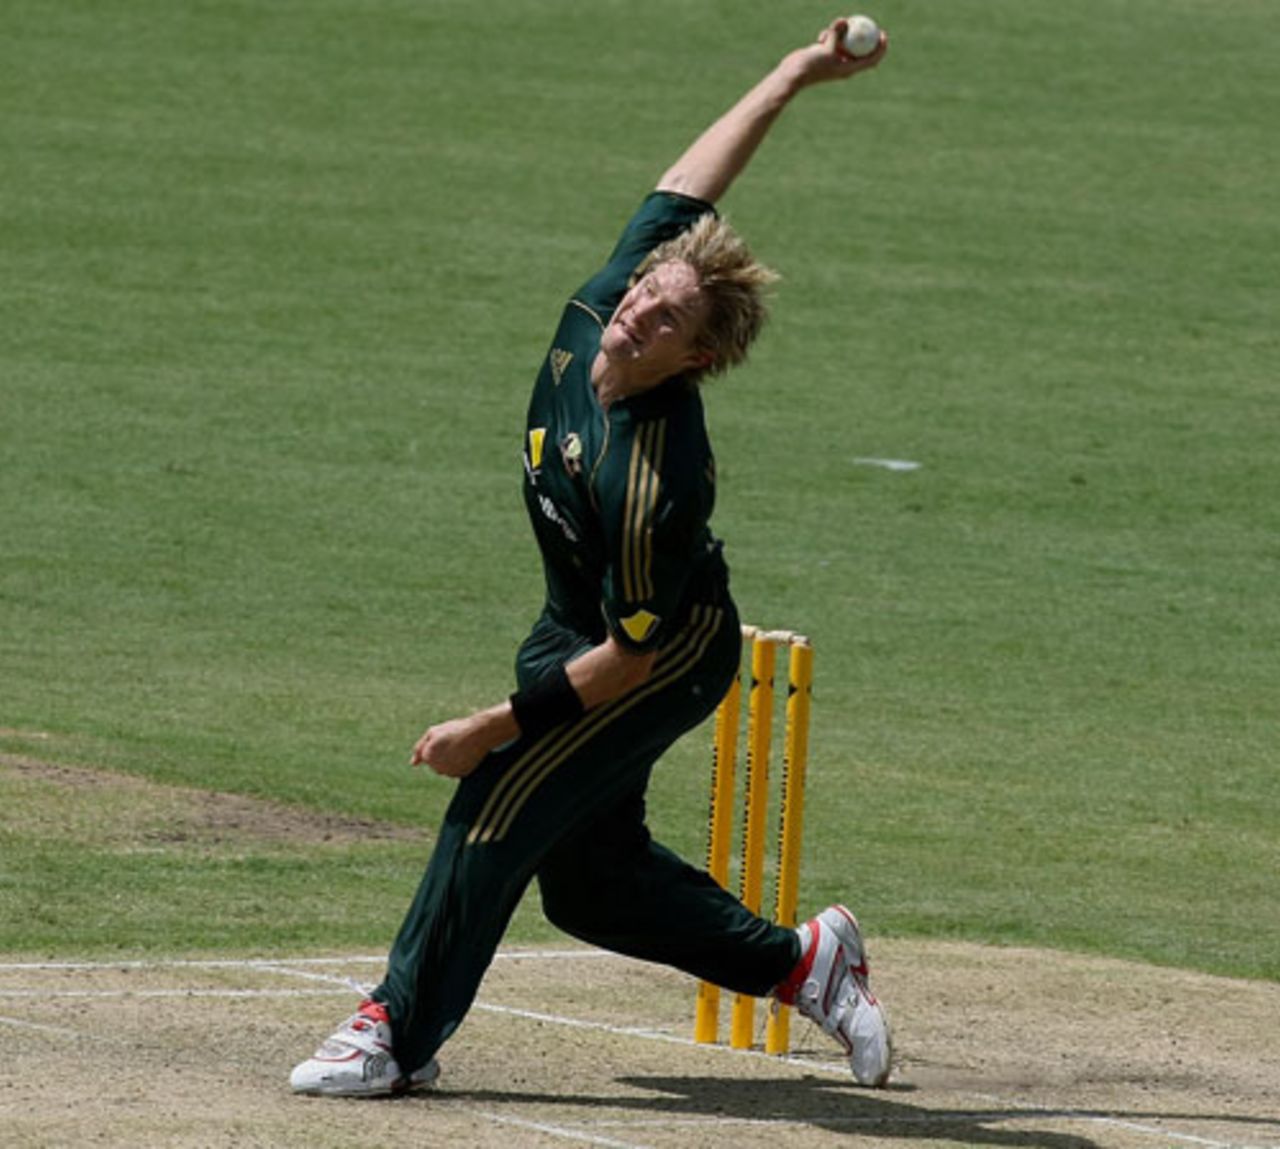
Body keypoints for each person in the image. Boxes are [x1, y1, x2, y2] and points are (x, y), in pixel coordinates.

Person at [290, 16, 892, 1096]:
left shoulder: (651, 480)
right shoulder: (602, 301)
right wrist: (796, 73)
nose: (634, 317)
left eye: (663, 322)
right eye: (642, 296)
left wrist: (491, 724)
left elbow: (626, 661)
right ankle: (802, 962)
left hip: (659, 651)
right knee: (589, 888)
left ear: (696, 359)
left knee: (498, 796)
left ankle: (395, 1029)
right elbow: (686, 182)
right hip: (575, 626)